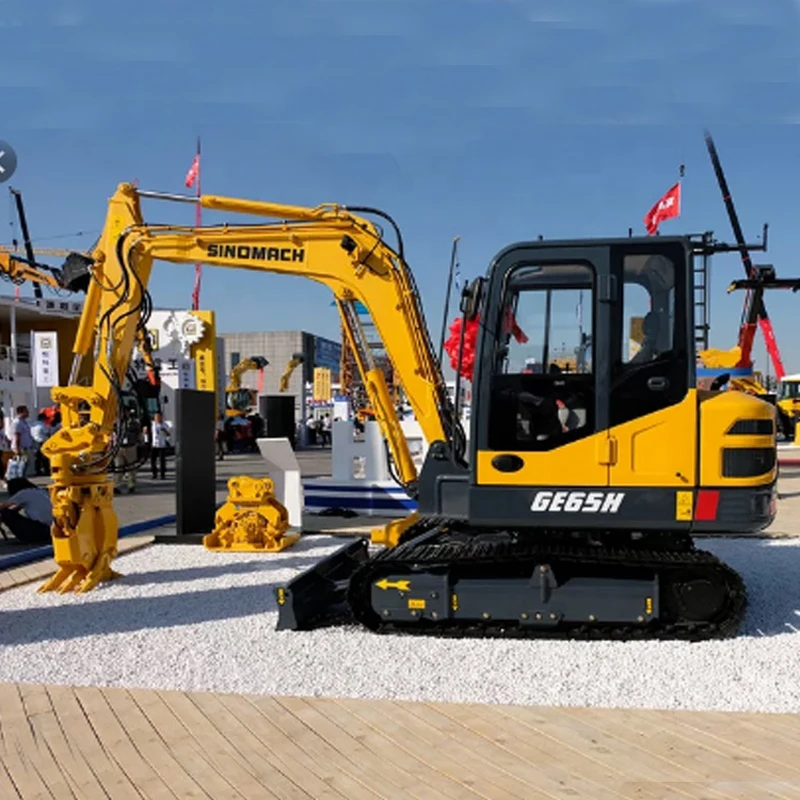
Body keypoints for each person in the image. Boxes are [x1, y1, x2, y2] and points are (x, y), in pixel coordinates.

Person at [0, 477, 53, 544]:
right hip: (53, 529)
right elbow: (15, 508)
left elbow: (3, 507)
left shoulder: (22, 493)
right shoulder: (40, 491)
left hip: (40, 529)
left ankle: (27, 538)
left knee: (5, 512)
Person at [114, 408, 141, 494]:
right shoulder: (116, 422)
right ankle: (116, 485)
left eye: (125, 412)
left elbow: (138, 433)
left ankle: (131, 485)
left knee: (131, 467)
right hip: (119, 447)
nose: (123, 414)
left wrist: (139, 442)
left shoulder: (134, 423)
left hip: (130, 446)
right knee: (118, 467)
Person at [6, 405, 33, 480]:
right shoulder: (17, 422)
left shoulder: (23, 422)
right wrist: (18, 449)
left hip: (25, 447)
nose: (28, 412)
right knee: (21, 465)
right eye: (26, 411)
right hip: (21, 448)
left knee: (24, 464)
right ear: (21, 412)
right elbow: (16, 435)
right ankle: (19, 479)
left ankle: (22, 479)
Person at [148, 411, 170, 479]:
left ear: (161, 417)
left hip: (161, 445)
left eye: (158, 417)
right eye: (156, 417)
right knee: (152, 460)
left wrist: (164, 430)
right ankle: (154, 474)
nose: (157, 418)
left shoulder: (165, 424)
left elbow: (168, 434)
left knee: (162, 461)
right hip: (154, 444)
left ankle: (162, 474)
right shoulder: (153, 424)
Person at [30, 412, 51, 476]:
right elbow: (47, 433)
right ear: (43, 418)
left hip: (35, 442)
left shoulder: (33, 425)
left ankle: (38, 471)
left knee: (37, 458)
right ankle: (46, 471)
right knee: (44, 457)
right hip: (42, 442)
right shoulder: (42, 425)